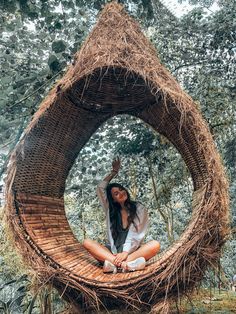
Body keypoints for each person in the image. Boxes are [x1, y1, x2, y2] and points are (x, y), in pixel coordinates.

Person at [83, 158, 160, 273]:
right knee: (86, 242)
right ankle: (127, 265)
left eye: (121, 189)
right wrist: (114, 172)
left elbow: (135, 234)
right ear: (113, 199)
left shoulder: (139, 208)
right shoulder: (110, 209)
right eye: (116, 193)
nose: (121, 193)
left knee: (155, 245)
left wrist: (125, 253)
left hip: (132, 252)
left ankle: (115, 264)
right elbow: (100, 188)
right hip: (113, 252)